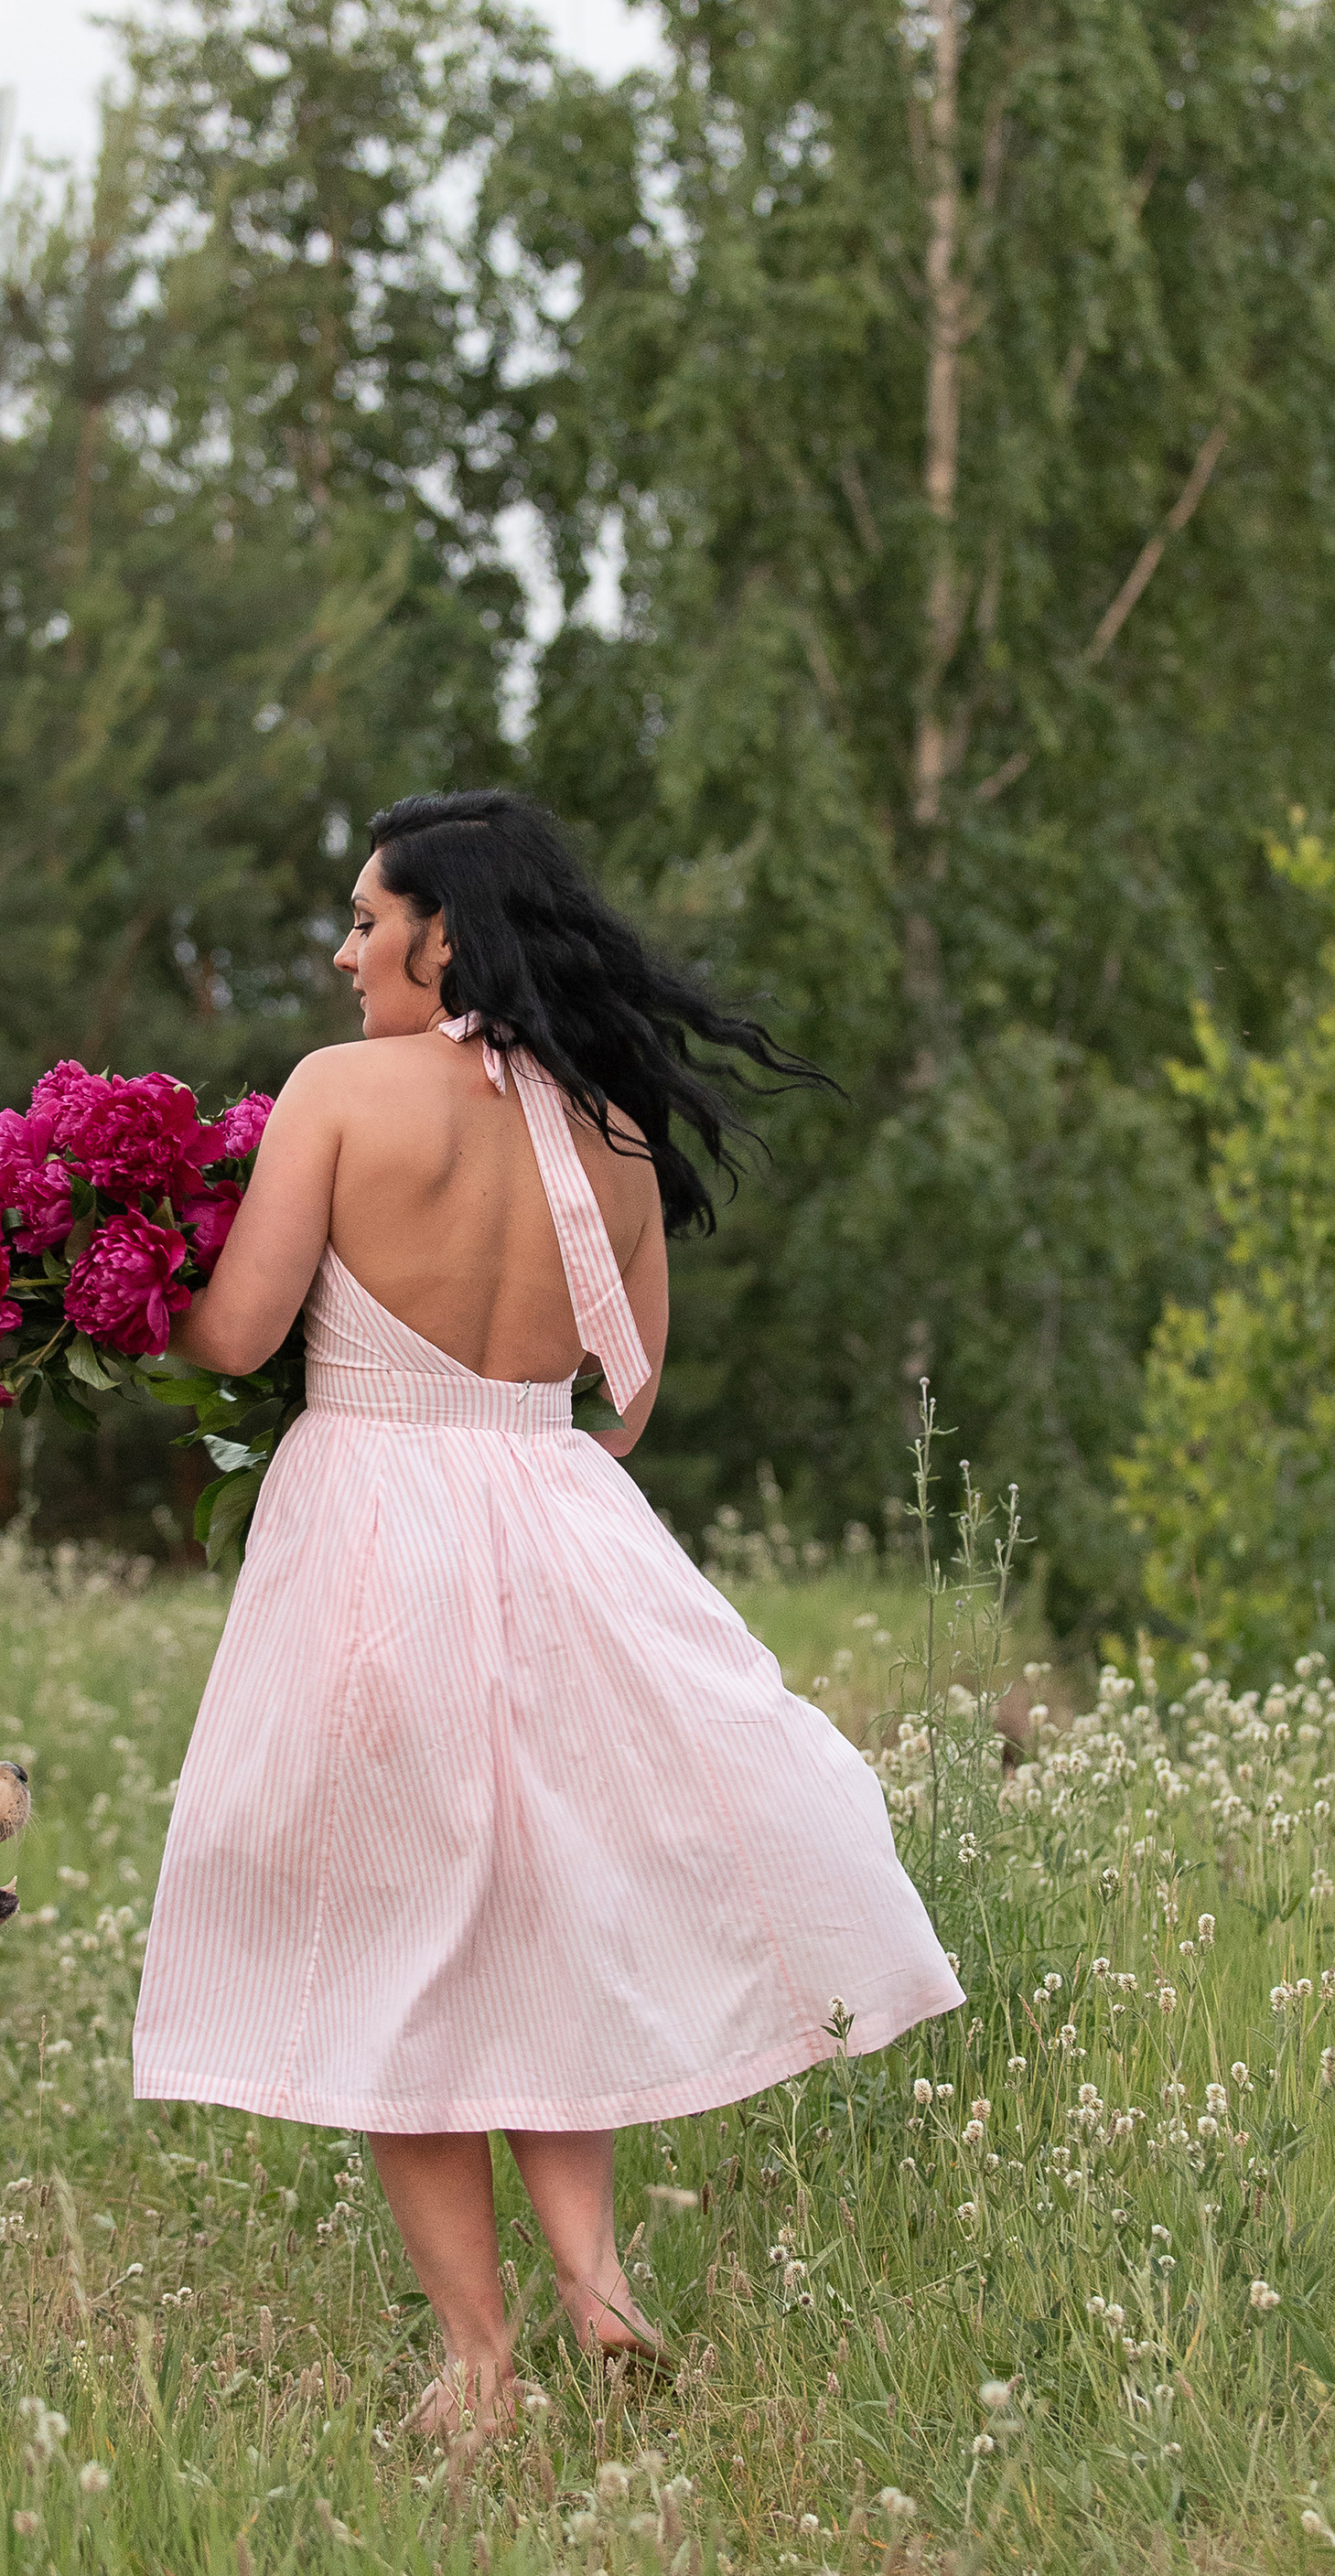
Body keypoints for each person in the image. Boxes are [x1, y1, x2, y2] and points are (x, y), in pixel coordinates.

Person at [130, 790, 962, 2432]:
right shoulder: (615, 1124)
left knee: (388, 1946)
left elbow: (234, 1334)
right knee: (538, 1921)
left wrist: (97, 1277)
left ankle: (482, 2363)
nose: (349, 948)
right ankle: (600, 2290)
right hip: (560, 1523)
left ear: (446, 931)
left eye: (371, 918)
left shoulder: (342, 1093)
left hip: (376, 1530)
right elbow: (628, 1400)